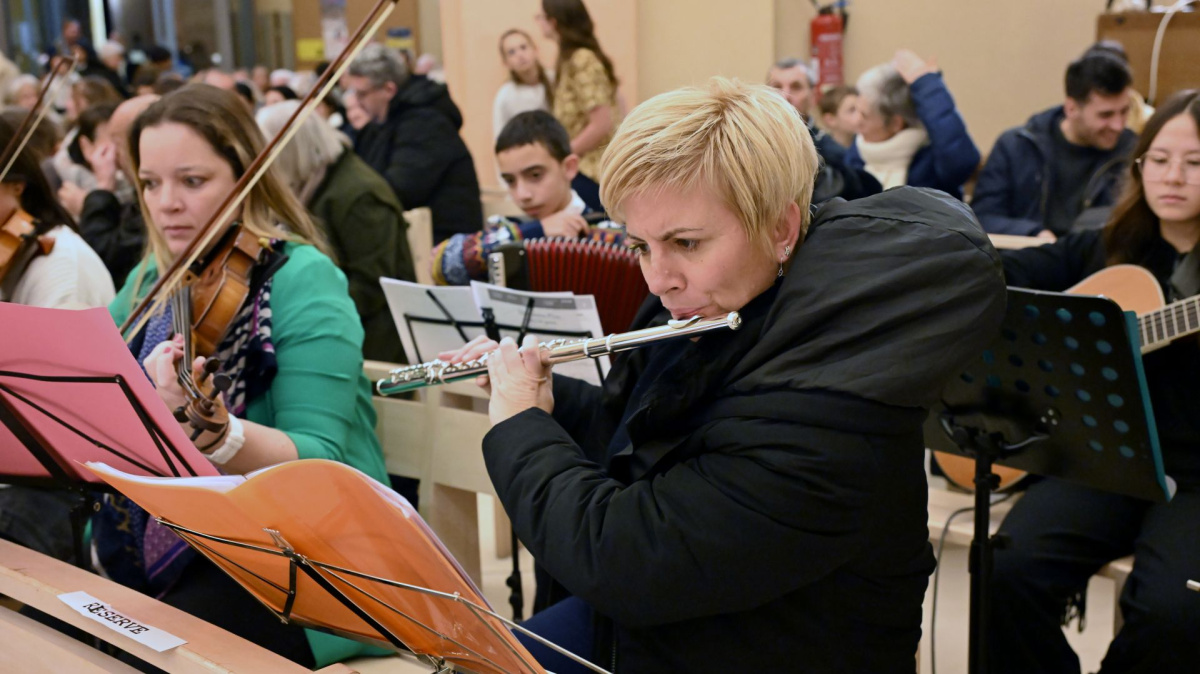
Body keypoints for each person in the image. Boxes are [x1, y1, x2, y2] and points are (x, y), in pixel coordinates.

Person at [439, 76, 1006, 673]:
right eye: (640, 245)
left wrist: (522, 427)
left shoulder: (829, 411)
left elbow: (623, 558)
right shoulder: (737, 307)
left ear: (782, 230)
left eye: (685, 242)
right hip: (672, 625)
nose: (658, 279)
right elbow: (659, 452)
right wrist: (549, 398)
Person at [96, 84, 389, 669]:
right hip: (199, 537)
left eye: (192, 181)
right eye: (150, 183)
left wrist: (222, 435)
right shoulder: (154, 274)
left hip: (311, 560)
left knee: (153, 648)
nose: (166, 204)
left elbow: (322, 460)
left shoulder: (304, 279)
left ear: (245, 177)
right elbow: (101, 382)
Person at [987, 90, 1200, 674]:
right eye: (1157, 159)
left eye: (1195, 162)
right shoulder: (1108, 248)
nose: (1172, 176)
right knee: (1003, 570)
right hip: (1104, 461)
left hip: (1197, 479)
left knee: (1174, 614)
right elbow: (998, 274)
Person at [257, 99, 416, 362]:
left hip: (371, 341)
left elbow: (371, 286)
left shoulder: (358, 195)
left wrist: (301, 313)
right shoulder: (310, 184)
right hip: (330, 323)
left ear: (291, 152)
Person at [433, 110, 615, 285]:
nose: (522, 195)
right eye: (510, 181)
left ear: (569, 168)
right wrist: (537, 230)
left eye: (535, 175)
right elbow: (439, 265)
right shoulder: (506, 230)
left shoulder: (606, 232)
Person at [973, 52, 1138, 240]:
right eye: (1105, 115)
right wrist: (1033, 232)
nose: (1118, 125)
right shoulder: (1017, 146)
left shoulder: (1132, 151)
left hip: (1098, 261)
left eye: (1124, 111)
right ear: (1071, 109)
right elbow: (982, 218)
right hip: (1028, 259)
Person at [345, 43, 482, 243]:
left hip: (442, 242)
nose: (357, 102)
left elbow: (398, 191)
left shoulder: (425, 123)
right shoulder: (386, 121)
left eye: (362, 94)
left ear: (388, 89)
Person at [846, 49, 980, 199]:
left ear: (896, 123)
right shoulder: (860, 149)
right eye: (855, 110)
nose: (856, 121)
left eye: (864, 116)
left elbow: (962, 162)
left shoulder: (929, 158)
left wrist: (927, 85)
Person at [73, 94, 157, 286]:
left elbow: (101, 258)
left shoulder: (154, 201)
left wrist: (101, 190)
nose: (115, 160)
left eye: (117, 145)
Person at [537, 0, 619, 180]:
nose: (538, 22)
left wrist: (563, 157)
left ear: (553, 22)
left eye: (540, 17)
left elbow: (602, 123)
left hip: (591, 169)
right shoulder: (568, 60)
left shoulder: (582, 59)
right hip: (578, 164)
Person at [493, 28, 552, 141]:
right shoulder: (505, 96)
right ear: (505, 63)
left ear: (535, 50)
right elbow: (500, 138)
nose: (520, 55)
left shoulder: (555, 80)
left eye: (523, 47)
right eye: (511, 52)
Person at [819, 84, 862, 149]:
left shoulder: (865, 147)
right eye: (852, 110)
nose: (860, 115)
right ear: (830, 120)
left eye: (861, 109)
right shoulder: (822, 154)